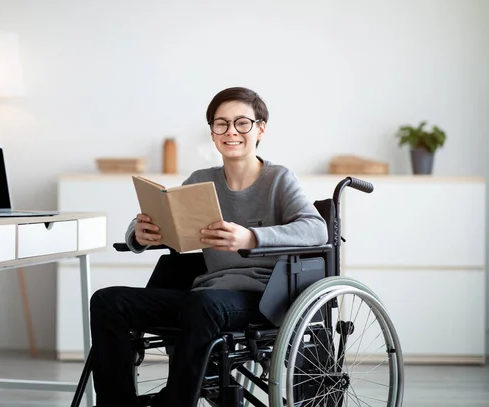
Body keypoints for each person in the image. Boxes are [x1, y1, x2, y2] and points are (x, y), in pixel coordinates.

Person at [90, 87, 328, 407]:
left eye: (242, 123)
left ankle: (174, 402)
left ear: (260, 129)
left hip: (260, 297)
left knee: (202, 305)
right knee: (108, 301)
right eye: (221, 124)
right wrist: (141, 233)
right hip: (205, 296)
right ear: (213, 133)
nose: (231, 131)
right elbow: (167, 213)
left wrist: (250, 238)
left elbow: (316, 228)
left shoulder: (278, 179)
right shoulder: (202, 180)